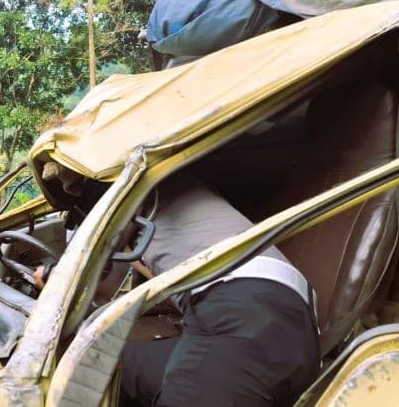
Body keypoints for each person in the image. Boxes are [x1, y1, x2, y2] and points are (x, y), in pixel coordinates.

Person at [120, 172, 320, 407]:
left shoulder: (121, 180)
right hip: (280, 321)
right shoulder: (172, 197)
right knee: (104, 369)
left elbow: (94, 257)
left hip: (245, 311)